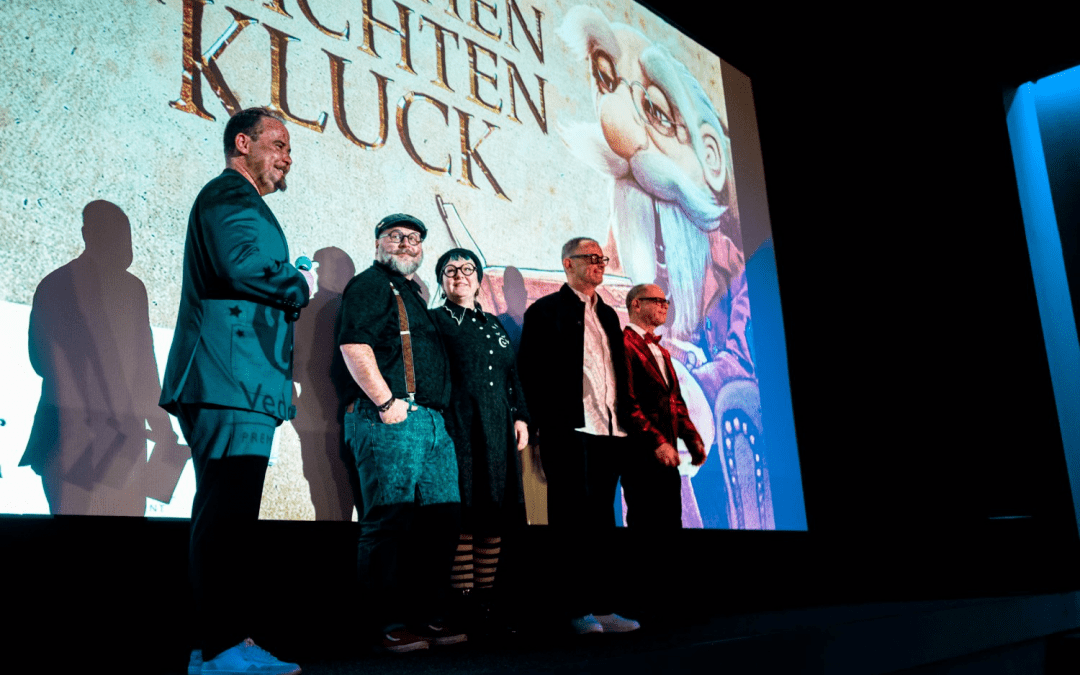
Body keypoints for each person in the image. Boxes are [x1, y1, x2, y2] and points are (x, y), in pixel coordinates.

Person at [159, 107, 312, 675]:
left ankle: (218, 645)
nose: (287, 156)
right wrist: (299, 282)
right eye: (277, 143)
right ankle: (222, 648)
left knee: (226, 514)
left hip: (238, 380)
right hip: (229, 379)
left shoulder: (241, 201)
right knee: (226, 517)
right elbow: (240, 264)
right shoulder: (230, 196)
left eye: (290, 148)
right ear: (242, 143)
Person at [337, 214, 464, 653]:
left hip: (431, 424)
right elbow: (354, 345)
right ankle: (386, 624)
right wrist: (386, 403)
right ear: (378, 243)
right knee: (387, 523)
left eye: (414, 239)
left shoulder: (414, 291)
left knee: (442, 523)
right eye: (396, 236)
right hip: (390, 419)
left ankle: (428, 618)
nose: (406, 244)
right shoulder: (370, 284)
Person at [517, 236, 640, 635]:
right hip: (568, 429)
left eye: (601, 258)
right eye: (590, 257)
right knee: (571, 522)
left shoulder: (608, 314)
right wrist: (540, 428)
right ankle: (575, 609)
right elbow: (531, 373)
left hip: (609, 429)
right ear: (567, 264)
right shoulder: (545, 311)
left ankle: (603, 605)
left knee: (605, 521)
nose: (599, 263)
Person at [430, 248, 529, 631]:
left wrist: (520, 415)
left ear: (478, 278)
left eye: (467, 269)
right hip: (458, 427)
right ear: (441, 280)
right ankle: (464, 604)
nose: (460, 275)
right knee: (465, 517)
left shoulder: (493, 324)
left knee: (494, 517)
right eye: (450, 270)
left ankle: (485, 604)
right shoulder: (435, 320)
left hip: (498, 431)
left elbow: (512, 377)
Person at [622, 284, 707, 530]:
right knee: (646, 524)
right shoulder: (623, 345)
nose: (664, 305)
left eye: (666, 301)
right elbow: (626, 404)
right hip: (641, 458)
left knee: (672, 523)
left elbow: (676, 402)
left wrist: (693, 440)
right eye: (656, 300)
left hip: (668, 461)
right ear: (636, 304)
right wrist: (657, 442)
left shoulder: (662, 352)